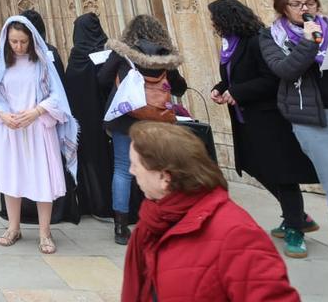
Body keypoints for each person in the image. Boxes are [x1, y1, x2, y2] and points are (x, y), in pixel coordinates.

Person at [121, 121, 300, 302]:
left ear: (164, 177)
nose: (131, 171)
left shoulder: (237, 234)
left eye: (136, 165)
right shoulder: (153, 220)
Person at [208, 0, 318, 258]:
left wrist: (238, 92)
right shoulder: (231, 45)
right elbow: (233, 76)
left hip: (268, 118)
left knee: (283, 174)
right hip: (245, 118)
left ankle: (295, 229)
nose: (212, 23)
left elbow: (272, 78)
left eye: (215, 18)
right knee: (256, 167)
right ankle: (298, 215)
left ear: (226, 18)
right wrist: (221, 87)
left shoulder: (259, 40)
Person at [260, 0, 328, 284]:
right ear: (282, 8)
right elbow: (286, 71)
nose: (305, 9)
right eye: (296, 4)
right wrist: (309, 42)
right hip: (318, 122)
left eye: (309, 2)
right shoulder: (272, 36)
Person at [0, 15, 78, 255]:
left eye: (23, 41)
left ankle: (45, 232)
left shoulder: (42, 61)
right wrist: (3, 115)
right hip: (10, 130)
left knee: (41, 178)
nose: (18, 47)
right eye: (13, 42)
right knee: (11, 178)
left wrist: (36, 112)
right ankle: (13, 227)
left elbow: (57, 96)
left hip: (37, 129)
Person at [99, 14, 187, 245]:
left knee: (122, 170)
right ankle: (163, 219)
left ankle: (120, 227)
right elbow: (180, 87)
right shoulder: (163, 55)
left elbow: (102, 78)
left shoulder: (122, 52)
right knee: (159, 168)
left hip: (125, 119)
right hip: (156, 121)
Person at [63, 13, 113, 220]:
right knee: (108, 161)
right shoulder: (107, 54)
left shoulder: (77, 56)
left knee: (85, 160)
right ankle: (108, 204)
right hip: (106, 118)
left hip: (81, 120)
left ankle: (87, 202)